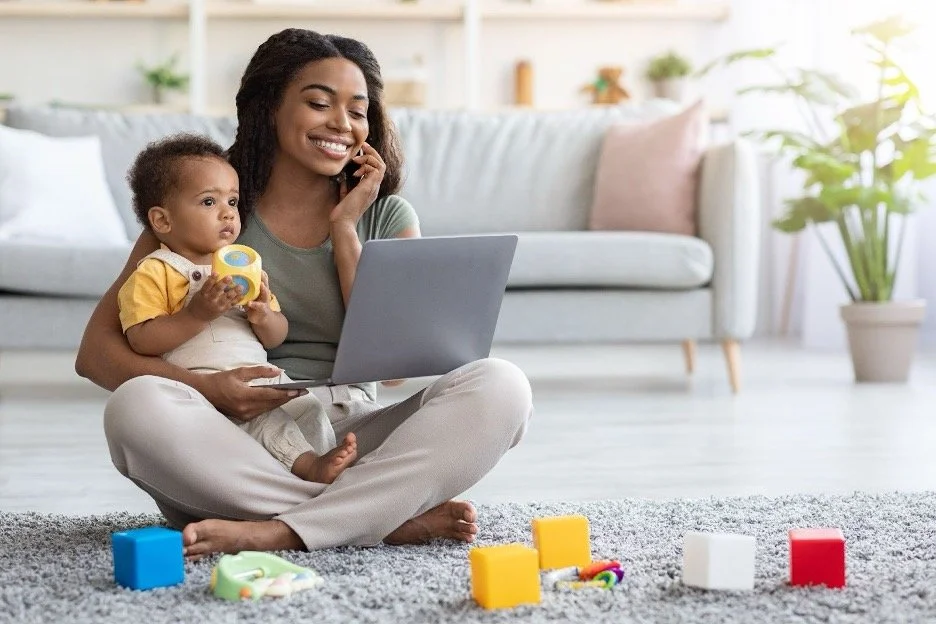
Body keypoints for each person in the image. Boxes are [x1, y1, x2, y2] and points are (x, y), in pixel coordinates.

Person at [75, 28, 532, 559]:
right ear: (268, 108)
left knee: (503, 386)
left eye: (358, 111)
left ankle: (278, 530)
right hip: (233, 444)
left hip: (351, 435)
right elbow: (97, 353)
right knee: (136, 406)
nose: (342, 123)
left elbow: (395, 370)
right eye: (319, 103)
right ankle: (372, 519)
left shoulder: (386, 216)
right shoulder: (201, 210)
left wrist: (345, 230)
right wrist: (207, 390)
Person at [117, 133, 357, 485]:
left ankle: (321, 469)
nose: (228, 213)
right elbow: (142, 339)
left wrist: (265, 317)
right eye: (209, 202)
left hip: (261, 374)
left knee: (307, 408)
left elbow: (277, 336)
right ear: (163, 221)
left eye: (232, 200)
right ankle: (308, 469)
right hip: (204, 385)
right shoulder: (156, 270)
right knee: (262, 425)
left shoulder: (244, 267)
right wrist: (196, 314)